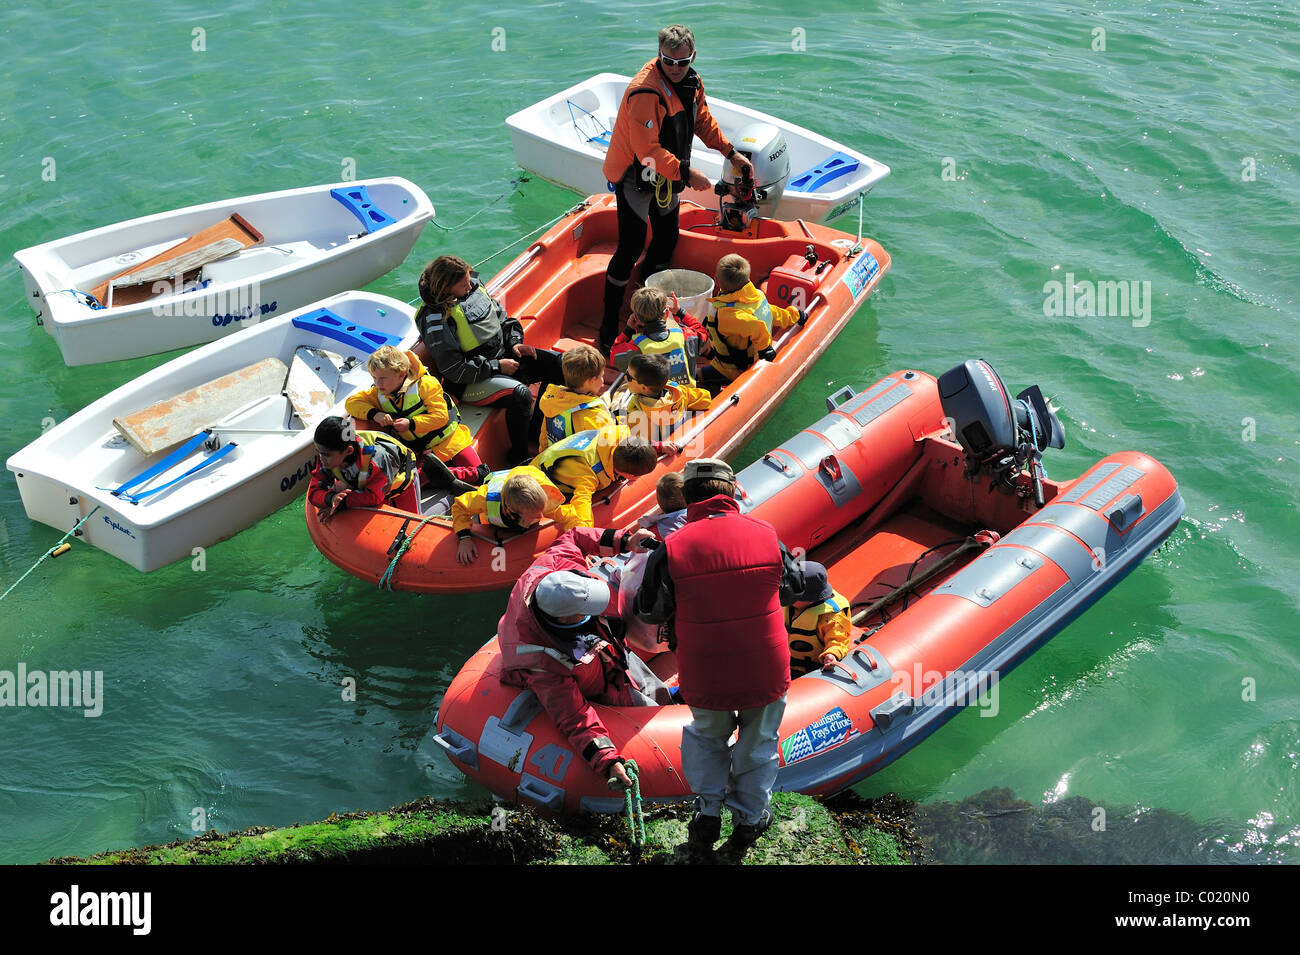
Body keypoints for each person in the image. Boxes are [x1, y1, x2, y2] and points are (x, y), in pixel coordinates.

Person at [634, 457, 805, 860]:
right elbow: (794, 586)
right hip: (765, 664)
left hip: (705, 666)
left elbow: (649, 611)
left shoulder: (670, 548)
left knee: (706, 735)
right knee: (759, 741)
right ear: (731, 492)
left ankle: (708, 812)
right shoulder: (767, 533)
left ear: (688, 499)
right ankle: (748, 821)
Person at [599, 24, 755, 352]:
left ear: (692, 57)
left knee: (667, 238)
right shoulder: (646, 92)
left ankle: (650, 309)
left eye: (681, 62)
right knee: (629, 249)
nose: (674, 68)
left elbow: (703, 122)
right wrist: (689, 175)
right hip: (636, 176)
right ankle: (607, 327)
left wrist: (732, 153)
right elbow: (648, 152)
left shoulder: (692, 82)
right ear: (659, 56)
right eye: (667, 61)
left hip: (667, 178)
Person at [497, 527, 668, 789]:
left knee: (656, 690)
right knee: (652, 713)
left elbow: (574, 536)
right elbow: (573, 716)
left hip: (609, 656)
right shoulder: (544, 661)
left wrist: (625, 540)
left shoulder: (555, 564)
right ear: (565, 619)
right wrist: (607, 760)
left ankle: (668, 699)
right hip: (601, 684)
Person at [412, 254, 564, 464]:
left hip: (502, 357)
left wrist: (515, 343)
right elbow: (453, 368)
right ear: (446, 287)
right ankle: (519, 456)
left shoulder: (473, 289)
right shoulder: (435, 319)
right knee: (520, 396)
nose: (469, 286)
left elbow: (504, 321)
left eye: (468, 281)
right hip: (470, 381)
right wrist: (496, 367)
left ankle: (536, 430)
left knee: (559, 364)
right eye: (463, 284)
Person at [344, 344, 486, 490]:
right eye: (374, 377)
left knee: (482, 476)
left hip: (451, 442)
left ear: (401, 373)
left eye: (383, 378)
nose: (377, 383)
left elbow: (441, 416)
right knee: (412, 482)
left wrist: (411, 424)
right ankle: (444, 475)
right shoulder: (379, 394)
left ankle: (450, 475)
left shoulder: (425, 385)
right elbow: (351, 403)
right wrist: (375, 414)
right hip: (422, 453)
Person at [531, 423, 671, 528]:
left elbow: (638, 445)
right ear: (628, 475)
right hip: (538, 481)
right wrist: (584, 537)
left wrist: (657, 446)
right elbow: (581, 504)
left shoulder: (621, 437)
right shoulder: (587, 475)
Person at [703, 253, 808, 384]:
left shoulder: (728, 314)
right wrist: (795, 315)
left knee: (697, 375)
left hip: (734, 369)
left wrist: (765, 349)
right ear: (748, 279)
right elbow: (770, 312)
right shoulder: (757, 295)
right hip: (750, 356)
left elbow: (757, 327)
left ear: (716, 280)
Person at [450, 466, 583, 564]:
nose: (541, 516)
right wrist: (464, 538)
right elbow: (459, 506)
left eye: (541, 510)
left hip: (522, 480)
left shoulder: (539, 503)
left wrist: (577, 547)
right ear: (514, 510)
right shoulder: (485, 499)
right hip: (496, 499)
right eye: (534, 514)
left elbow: (572, 516)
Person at [308, 416, 421, 521]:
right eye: (319, 452)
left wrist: (341, 503)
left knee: (411, 522)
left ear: (349, 451)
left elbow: (374, 497)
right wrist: (331, 499)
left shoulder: (376, 459)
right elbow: (313, 492)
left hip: (399, 474)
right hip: (367, 474)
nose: (321, 459)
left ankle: (426, 472)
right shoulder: (328, 455)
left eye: (326, 455)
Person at [610, 287, 708, 387]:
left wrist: (628, 330)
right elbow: (703, 332)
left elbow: (613, 355)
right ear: (666, 313)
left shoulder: (636, 346)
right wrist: (680, 313)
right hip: (686, 398)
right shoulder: (685, 336)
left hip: (656, 402)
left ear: (636, 318)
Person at [611, 353, 711, 443]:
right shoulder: (680, 392)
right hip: (677, 437)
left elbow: (622, 437)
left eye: (628, 376)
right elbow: (705, 398)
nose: (625, 377)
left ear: (644, 388)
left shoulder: (636, 414)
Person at [537, 344, 615, 452]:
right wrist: (607, 412)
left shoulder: (552, 399)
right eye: (601, 376)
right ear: (591, 381)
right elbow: (609, 445)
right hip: (577, 467)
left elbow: (545, 437)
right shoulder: (596, 416)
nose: (602, 381)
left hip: (550, 459)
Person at [785, 561, 853, 677]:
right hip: (784, 661)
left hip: (810, 671)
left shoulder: (831, 616)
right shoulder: (788, 604)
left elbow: (838, 641)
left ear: (810, 599)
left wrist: (832, 654)